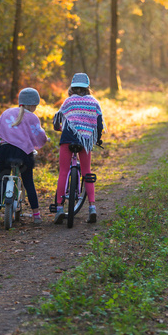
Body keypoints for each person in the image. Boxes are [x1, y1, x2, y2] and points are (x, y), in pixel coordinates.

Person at [0, 87, 48, 228]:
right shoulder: (33, 117)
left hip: (4, 152)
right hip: (22, 154)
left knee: (1, 182)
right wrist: (45, 139)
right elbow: (39, 136)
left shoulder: (7, 112)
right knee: (28, 182)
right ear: (33, 104)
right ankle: (36, 215)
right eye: (36, 105)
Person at [53, 73, 104, 224]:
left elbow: (58, 118)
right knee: (87, 172)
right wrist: (98, 138)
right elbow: (99, 123)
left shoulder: (68, 101)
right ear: (87, 87)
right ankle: (92, 207)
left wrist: (58, 128)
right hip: (85, 140)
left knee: (63, 171)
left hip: (68, 139)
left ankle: (59, 209)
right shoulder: (94, 102)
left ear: (72, 87)